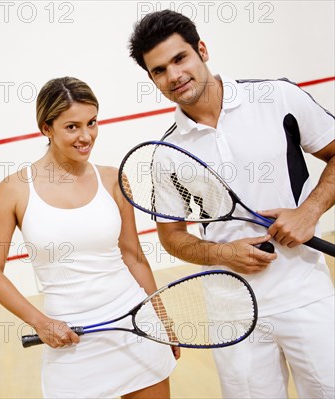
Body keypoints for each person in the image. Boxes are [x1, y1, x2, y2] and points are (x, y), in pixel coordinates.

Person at [128, 10, 335, 399]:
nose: (173, 76)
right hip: (234, 313)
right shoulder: (168, 153)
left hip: (306, 293)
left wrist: (309, 212)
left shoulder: (277, 97)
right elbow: (172, 236)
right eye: (159, 71)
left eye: (180, 59)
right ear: (152, 80)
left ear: (202, 50)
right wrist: (223, 252)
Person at [0, 76, 178, 398]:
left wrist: (162, 320)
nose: (86, 136)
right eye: (72, 127)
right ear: (46, 128)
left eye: (92, 123)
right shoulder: (13, 190)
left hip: (136, 328)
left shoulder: (114, 179)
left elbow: (133, 256)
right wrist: (41, 323)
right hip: (71, 342)